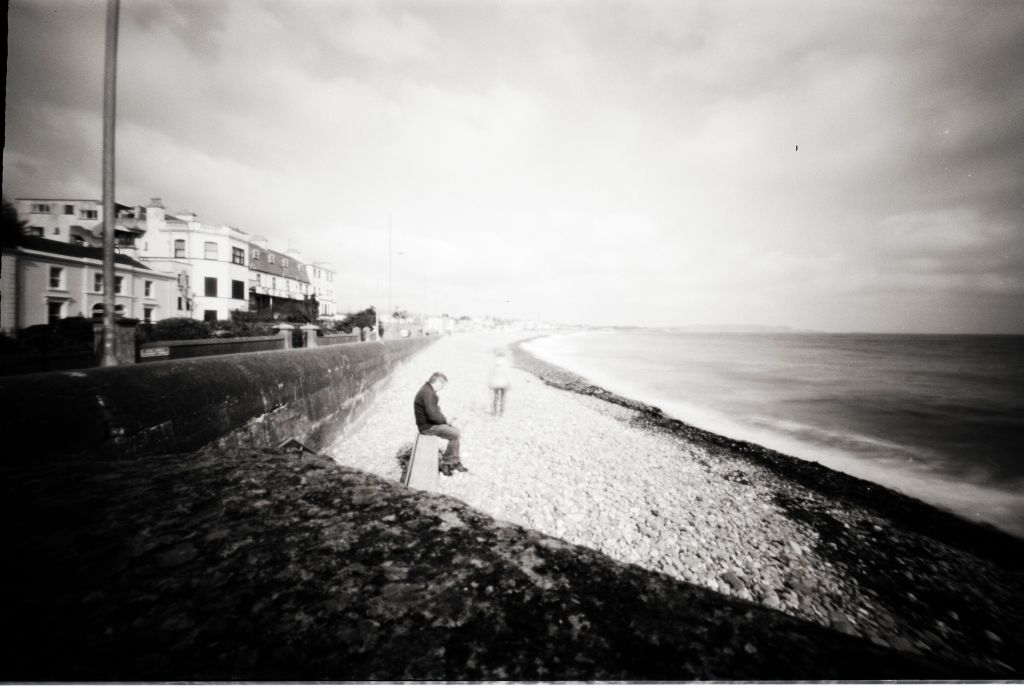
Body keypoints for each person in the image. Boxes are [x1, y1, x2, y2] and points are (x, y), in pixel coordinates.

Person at [413, 372, 466, 474]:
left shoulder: (427, 390)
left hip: (428, 424)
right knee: (455, 434)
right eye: (442, 385)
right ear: (437, 382)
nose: (442, 388)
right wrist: (446, 421)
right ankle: (447, 462)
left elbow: (435, 413)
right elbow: (433, 416)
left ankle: (454, 461)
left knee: (455, 431)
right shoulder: (428, 393)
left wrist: (446, 421)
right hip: (427, 427)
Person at [488, 350, 511, 416]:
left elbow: (491, 375)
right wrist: (509, 384)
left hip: (496, 383)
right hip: (504, 383)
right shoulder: (506, 364)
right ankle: (501, 412)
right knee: (503, 398)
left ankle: (495, 412)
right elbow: (507, 375)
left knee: (495, 397)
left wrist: (490, 383)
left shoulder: (494, 365)